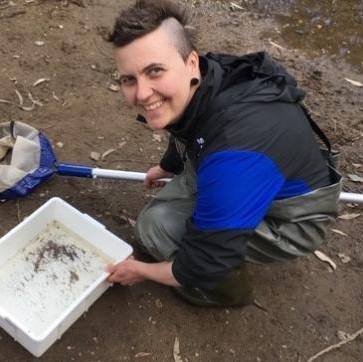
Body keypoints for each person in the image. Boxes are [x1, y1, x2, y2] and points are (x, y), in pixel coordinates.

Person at [104, 0, 342, 307]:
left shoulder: (233, 152)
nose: (141, 93)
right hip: (249, 171)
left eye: (155, 71)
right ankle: (222, 225)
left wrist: (143, 271)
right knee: (174, 211)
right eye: (129, 79)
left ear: (190, 63)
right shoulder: (207, 76)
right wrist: (167, 167)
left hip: (291, 219)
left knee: (154, 227)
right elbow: (187, 127)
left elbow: (201, 261)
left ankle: (226, 290)